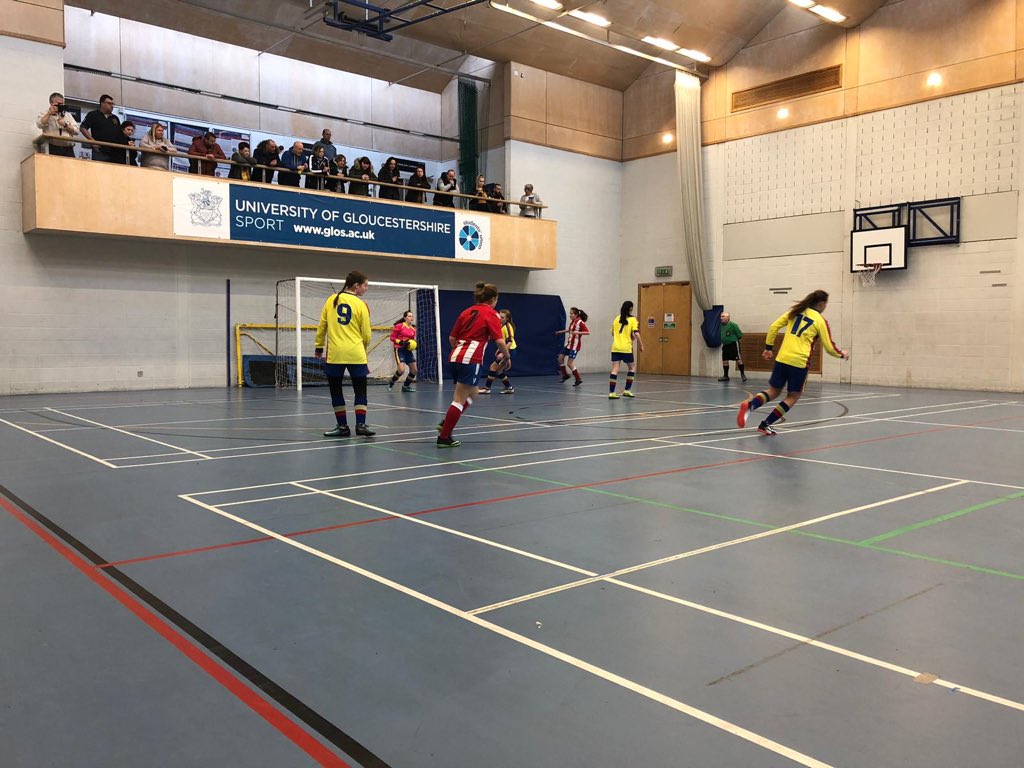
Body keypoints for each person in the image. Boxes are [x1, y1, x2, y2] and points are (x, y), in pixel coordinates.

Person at [737, 289, 849, 436]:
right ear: (822, 304)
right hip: (799, 362)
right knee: (793, 396)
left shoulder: (795, 311)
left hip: (782, 358)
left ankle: (750, 406)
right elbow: (829, 347)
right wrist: (842, 354)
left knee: (773, 390)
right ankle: (766, 424)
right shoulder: (820, 320)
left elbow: (774, 327)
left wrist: (769, 348)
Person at [437, 282, 509, 448]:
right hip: (470, 359)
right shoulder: (491, 314)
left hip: (454, 357)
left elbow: (452, 339)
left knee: (473, 393)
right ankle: (444, 436)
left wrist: (461, 350)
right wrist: (507, 356)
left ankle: (447, 422)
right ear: (493, 299)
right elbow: (499, 340)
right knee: (459, 399)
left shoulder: (466, 312)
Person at [314, 270, 376, 438]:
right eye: (365, 286)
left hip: (335, 355)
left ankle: (342, 427)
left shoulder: (331, 300)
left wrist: (319, 347)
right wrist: (363, 346)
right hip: (356, 354)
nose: (366, 289)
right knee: (360, 390)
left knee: (336, 391)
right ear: (356, 286)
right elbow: (366, 333)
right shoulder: (361, 305)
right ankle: (361, 425)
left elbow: (322, 326)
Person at [609, 300, 644, 398]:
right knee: (632, 368)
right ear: (631, 309)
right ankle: (627, 390)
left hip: (615, 347)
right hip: (626, 348)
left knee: (615, 369)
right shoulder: (633, 320)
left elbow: (613, 333)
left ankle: (611, 392)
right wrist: (641, 344)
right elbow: (636, 333)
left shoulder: (616, 319)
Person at [479, 309, 517, 394]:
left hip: (509, 350)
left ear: (507, 318)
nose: (500, 318)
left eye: (502, 317)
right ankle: (509, 387)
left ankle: (487, 388)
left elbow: (510, 341)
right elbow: (503, 341)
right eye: (499, 316)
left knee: (493, 367)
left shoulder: (507, 327)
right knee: (498, 370)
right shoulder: (501, 325)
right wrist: (499, 349)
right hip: (505, 350)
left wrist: (506, 355)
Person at [80, 94, 124, 163]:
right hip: (99, 151)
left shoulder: (115, 118)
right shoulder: (93, 114)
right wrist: (93, 141)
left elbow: (120, 133)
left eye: (113, 104)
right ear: (102, 103)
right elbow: (83, 128)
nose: (112, 106)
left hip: (115, 152)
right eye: (109, 103)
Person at [36, 92, 79, 158]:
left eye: (62, 104)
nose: (60, 106)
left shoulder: (67, 115)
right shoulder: (44, 113)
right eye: (58, 104)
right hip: (52, 148)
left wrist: (65, 125)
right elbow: (39, 124)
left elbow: (76, 131)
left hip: (68, 148)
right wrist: (49, 114)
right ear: (51, 103)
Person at [555, 306, 589, 386]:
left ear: (576, 315)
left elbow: (587, 332)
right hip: (569, 345)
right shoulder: (573, 321)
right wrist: (560, 332)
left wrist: (577, 333)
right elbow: (570, 330)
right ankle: (565, 375)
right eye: (570, 313)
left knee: (569, 363)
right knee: (560, 358)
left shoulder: (580, 322)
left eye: (571, 314)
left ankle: (578, 379)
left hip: (575, 346)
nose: (570, 315)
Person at [386, 311, 418, 393]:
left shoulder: (413, 330)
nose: (411, 318)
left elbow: (411, 341)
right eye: (409, 316)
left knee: (414, 370)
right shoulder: (399, 326)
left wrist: (415, 345)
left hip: (407, 351)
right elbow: (392, 338)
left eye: (412, 316)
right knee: (401, 370)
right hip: (399, 349)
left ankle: (405, 386)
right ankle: (391, 383)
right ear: (405, 318)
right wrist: (400, 342)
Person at [718, 311, 747, 382]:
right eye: (721, 316)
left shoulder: (733, 325)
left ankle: (742, 374)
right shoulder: (721, 326)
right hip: (725, 345)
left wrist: (733, 339)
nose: (721, 318)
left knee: (738, 360)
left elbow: (740, 335)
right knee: (724, 360)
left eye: (723, 316)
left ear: (727, 317)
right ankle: (726, 376)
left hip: (733, 345)